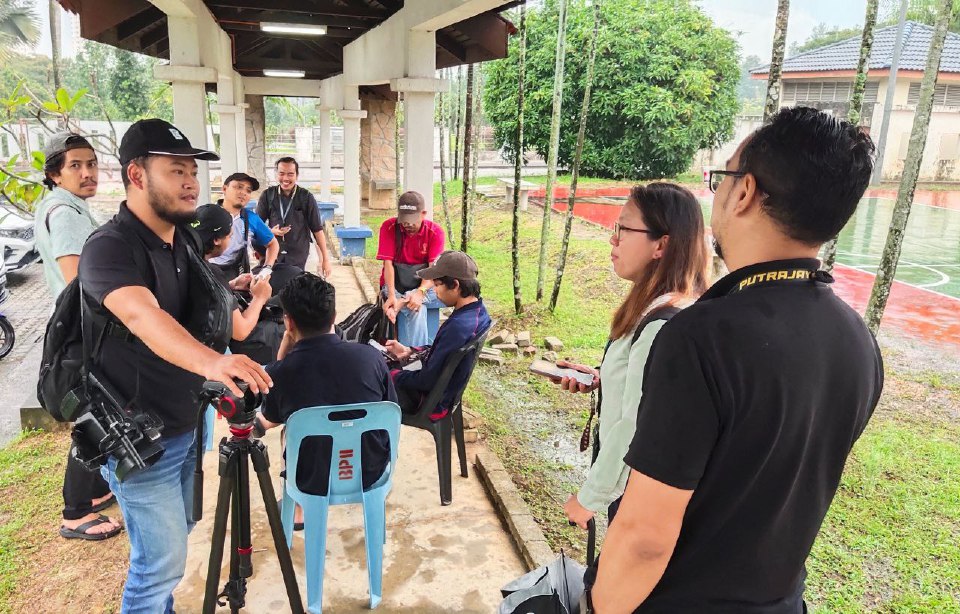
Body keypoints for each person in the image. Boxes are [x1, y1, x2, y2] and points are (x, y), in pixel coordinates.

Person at [590, 106, 883, 613]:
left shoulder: (700, 337)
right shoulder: (858, 340)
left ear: (744, 191)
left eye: (722, 178)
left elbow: (644, 537)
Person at [78, 118, 272, 614]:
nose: (190, 182)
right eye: (175, 170)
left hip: (187, 424)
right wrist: (214, 361)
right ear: (137, 175)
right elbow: (143, 314)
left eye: (192, 171)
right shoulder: (110, 247)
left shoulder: (181, 240)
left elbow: (201, 306)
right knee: (159, 565)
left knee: (177, 537)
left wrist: (235, 300)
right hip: (137, 436)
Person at [553, 183, 708, 531]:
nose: (613, 239)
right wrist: (600, 376)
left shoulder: (661, 323)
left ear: (662, 244)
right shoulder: (664, 306)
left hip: (639, 498)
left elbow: (635, 424)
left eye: (623, 229)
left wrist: (590, 497)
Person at [33, 132, 121, 541]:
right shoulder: (65, 211)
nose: (87, 173)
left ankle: (97, 489)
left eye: (91, 164)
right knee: (93, 416)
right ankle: (75, 512)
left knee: (99, 411)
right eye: (75, 166)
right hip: (84, 330)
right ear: (55, 173)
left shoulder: (62, 205)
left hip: (78, 328)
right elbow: (79, 281)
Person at [256, 273, 397, 527]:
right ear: (333, 317)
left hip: (311, 478)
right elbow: (390, 410)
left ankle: (298, 511)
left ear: (288, 323)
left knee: (290, 427)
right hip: (369, 469)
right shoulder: (370, 358)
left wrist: (285, 348)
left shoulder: (281, 372)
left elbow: (272, 416)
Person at [385, 251, 491, 420]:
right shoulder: (477, 312)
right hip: (438, 388)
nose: (434, 290)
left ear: (455, 285)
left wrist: (391, 375)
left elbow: (426, 381)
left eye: (437, 285)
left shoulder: (458, 326)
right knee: (389, 368)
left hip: (430, 401)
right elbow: (443, 353)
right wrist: (410, 351)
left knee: (372, 378)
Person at [193, 203, 273, 340]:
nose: (230, 241)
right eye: (229, 236)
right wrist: (259, 298)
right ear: (217, 240)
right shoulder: (211, 273)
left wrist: (230, 286)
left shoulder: (187, 259)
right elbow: (240, 331)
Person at [376, 190, 446, 347]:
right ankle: (415, 358)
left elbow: (433, 270)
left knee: (420, 302)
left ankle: (409, 358)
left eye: (412, 221)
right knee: (416, 309)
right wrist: (393, 296)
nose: (408, 225)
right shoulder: (389, 227)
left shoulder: (435, 232)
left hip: (425, 285)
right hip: (395, 284)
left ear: (423, 214)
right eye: (404, 220)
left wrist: (420, 292)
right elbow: (388, 265)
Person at [256, 157, 332, 277]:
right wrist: (270, 231)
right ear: (276, 174)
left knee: (296, 288)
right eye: (281, 173)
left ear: (297, 175)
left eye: (290, 174)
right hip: (273, 253)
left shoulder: (306, 197)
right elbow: (256, 227)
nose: (285, 178)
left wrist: (325, 260)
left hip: (298, 255)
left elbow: (317, 230)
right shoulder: (267, 195)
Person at [208, 172, 280, 280]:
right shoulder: (207, 214)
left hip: (237, 278)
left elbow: (273, 243)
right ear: (224, 189)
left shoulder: (251, 219)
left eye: (248, 190)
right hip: (207, 274)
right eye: (239, 187)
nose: (243, 193)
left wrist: (267, 268)